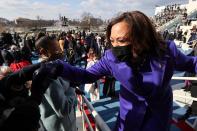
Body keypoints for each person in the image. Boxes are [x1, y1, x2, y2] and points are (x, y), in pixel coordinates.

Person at [38, 11, 197, 131]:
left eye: (121, 40)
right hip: (128, 120)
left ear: (142, 37)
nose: (115, 47)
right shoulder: (110, 58)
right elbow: (87, 75)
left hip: (159, 119)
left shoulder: (167, 50)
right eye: (112, 40)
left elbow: (191, 64)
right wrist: (59, 67)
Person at [35, 36, 77, 131]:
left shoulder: (52, 67)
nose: (61, 51)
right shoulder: (46, 73)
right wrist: (72, 86)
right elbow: (63, 109)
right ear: (43, 51)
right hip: (61, 127)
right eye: (56, 48)